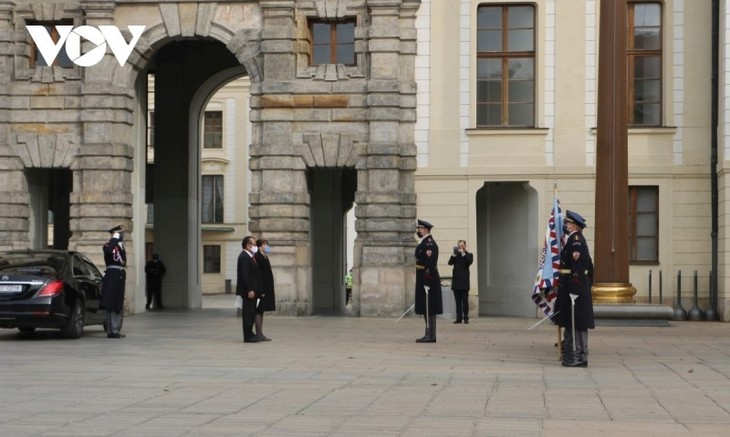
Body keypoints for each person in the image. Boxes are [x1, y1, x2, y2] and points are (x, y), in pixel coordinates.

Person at [556, 210, 595, 367]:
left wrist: (576, 289)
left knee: (578, 322)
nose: (564, 226)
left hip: (575, 288)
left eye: (566, 224)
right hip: (574, 287)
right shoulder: (574, 240)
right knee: (575, 321)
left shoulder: (576, 241)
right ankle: (577, 354)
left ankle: (580, 356)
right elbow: (590, 267)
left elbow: (578, 268)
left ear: (573, 226)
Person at [414, 219, 442, 343]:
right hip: (423, 277)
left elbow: (430, 264)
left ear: (425, 230)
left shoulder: (429, 243)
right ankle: (430, 334)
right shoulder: (424, 242)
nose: (418, 231)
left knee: (429, 307)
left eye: (419, 229)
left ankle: (430, 335)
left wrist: (427, 280)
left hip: (427, 278)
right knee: (426, 307)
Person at [99, 224, 127, 339]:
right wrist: (114, 239)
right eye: (119, 233)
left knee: (117, 303)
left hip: (119, 276)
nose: (121, 235)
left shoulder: (121, 247)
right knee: (111, 303)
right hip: (112, 276)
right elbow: (109, 251)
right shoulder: (108, 246)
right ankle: (112, 330)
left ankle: (114, 330)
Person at [236, 236, 262, 343]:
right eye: (254, 244)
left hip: (252, 291)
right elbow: (245, 275)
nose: (255, 247)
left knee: (251, 313)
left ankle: (250, 333)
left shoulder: (250, 256)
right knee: (248, 314)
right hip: (248, 291)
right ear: (248, 245)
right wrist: (249, 290)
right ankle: (248, 336)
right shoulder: (244, 257)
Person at [254, 238, 276, 341]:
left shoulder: (264, 256)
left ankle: (260, 333)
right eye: (264, 244)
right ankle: (258, 333)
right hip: (261, 288)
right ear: (259, 246)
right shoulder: (258, 256)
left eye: (267, 244)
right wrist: (260, 290)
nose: (266, 246)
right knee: (259, 310)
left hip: (266, 287)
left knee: (262, 310)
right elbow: (259, 274)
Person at [448, 240, 473, 324]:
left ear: (465, 246)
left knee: (465, 301)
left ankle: (465, 317)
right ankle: (458, 318)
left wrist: (463, 254)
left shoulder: (469, 255)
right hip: (456, 282)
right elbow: (450, 263)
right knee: (457, 302)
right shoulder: (456, 256)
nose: (460, 247)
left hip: (464, 282)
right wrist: (453, 255)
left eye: (462, 246)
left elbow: (469, 262)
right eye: (459, 246)